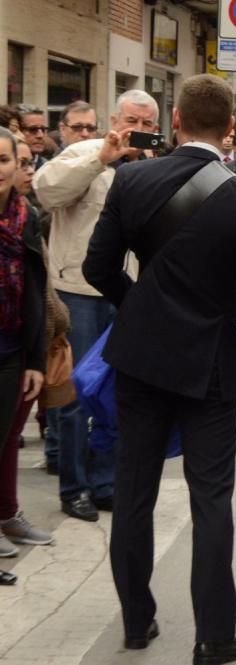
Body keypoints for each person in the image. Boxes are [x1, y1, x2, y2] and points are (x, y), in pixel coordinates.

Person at [82, 74, 236, 663]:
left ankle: (137, 622)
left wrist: (136, 304)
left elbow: (98, 268)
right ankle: (214, 635)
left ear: (173, 122)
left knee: (133, 488)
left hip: (140, 358)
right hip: (211, 360)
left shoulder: (132, 178)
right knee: (211, 497)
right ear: (230, 130)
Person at [34, 90, 158, 522]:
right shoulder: (86, 152)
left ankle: (106, 483)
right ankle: (75, 487)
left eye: (146, 123)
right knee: (74, 398)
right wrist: (100, 158)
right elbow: (45, 191)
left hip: (129, 296)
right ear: (114, 118)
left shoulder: (154, 168)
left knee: (117, 394)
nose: (137, 129)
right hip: (79, 293)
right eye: (130, 119)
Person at [0, 128, 47, 586]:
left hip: (12, 347)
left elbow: (35, 290)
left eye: (2, 160)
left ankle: (7, 515)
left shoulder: (25, 216)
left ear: (17, 166)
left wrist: (35, 358)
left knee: (4, 439)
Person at [17, 104, 50, 170]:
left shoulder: (49, 168)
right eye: (33, 129)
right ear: (17, 131)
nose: (40, 135)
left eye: (43, 130)